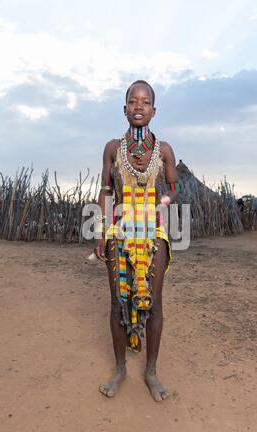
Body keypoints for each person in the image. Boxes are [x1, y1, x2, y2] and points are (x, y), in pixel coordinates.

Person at [94, 80, 180, 402]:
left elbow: (174, 187)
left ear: (154, 110)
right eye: (133, 101)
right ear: (125, 108)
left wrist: (165, 201)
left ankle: (151, 371)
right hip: (119, 229)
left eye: (145, 102)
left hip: (153, 231)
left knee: (154, 301)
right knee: (118, 299)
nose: (139, 106)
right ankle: (120, 369)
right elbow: (105, 191)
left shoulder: (165, 150)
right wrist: (102, 230)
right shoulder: (114, 148)